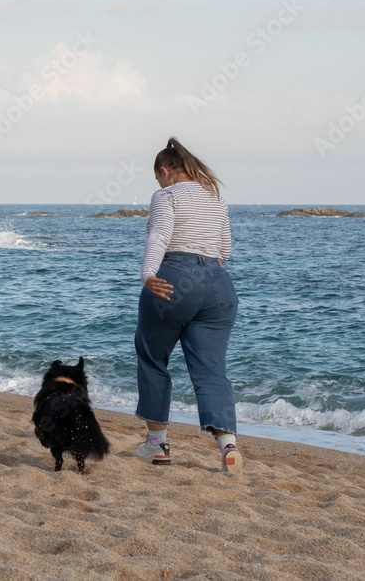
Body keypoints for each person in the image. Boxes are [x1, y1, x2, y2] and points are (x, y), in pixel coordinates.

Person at [133, 137, 242, 474]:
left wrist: (148, 273)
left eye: (158, 177)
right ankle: (228, 447)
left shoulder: (166, 195)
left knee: (153, 358)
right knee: (211, 369)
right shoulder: (215, 197)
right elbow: (225, 249)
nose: (159, 183)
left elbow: (159, 235)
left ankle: (158, 445)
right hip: (219, 284)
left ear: (166, 171)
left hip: (174, 278)